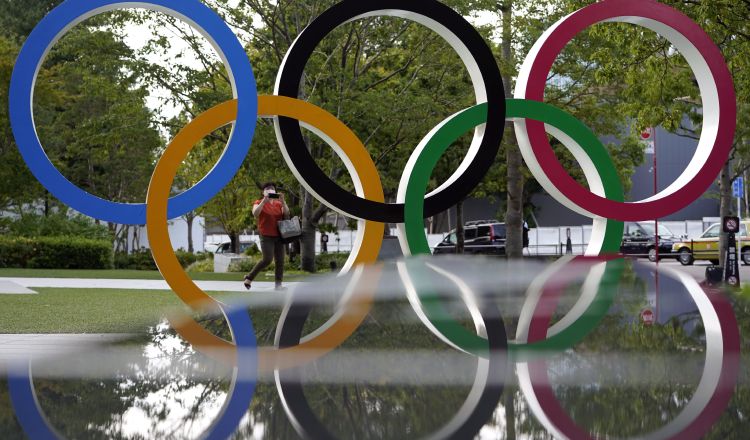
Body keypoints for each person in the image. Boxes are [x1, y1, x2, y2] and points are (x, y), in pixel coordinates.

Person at [243, 182, 290, 290]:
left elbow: (286, 214)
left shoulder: (278, 203)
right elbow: (255, 213)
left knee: (280, 261)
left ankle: (278, 286)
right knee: (267, 259)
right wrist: (264, 201)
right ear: (263, 192)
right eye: (267, 189)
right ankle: (249, 277)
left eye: (272, 188)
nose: (270, 190)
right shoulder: (258, 202)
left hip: (279, 236)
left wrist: (283, 202)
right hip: (266, 235)